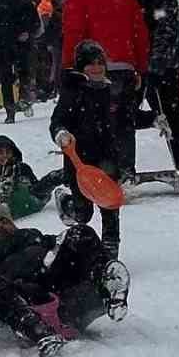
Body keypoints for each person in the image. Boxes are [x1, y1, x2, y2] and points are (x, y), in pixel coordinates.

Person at [0, 204, 130, 357]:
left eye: (4, 220)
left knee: (81, 233)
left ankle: (106, 285)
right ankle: (38, 330)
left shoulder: (30, 237)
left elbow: (64, 246)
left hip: (65, 295)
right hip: (17, 304)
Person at [116, 0, 179, 191]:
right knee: (124, 116)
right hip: (133, 67)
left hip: (161, 69)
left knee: (171, 116)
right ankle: (124, 169)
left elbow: (166, 30)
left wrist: (152, 64)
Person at [61, 0, 150, 171]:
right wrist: (140, 68)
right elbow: (140, 34)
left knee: (93, 121)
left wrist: (69, 68)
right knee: (124, 122)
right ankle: (126, 170)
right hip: (125, 67)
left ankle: (101, 170)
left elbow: (73, 33)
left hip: (94, 69)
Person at [50, 40, 129, 255]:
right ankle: (67, 204)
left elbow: (126, 118)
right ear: (81, 67)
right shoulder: (73, 92)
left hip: (108, 160)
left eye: (99, 63)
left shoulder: (111, 91)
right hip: (80, 163)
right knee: (83, 213)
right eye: (90, 64)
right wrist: (60, 133)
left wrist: (153, 119)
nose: (96, 68)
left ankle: (110, 247)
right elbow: (58, 120)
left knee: (110, 205)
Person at [0, 0, 38, 124]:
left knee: (6, 77)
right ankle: (24, 98)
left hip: (3, 43)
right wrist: (27, 31)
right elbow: (35, 22)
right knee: (24, 72)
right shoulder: (24, 2)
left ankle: (10, 109)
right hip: (21, 43)